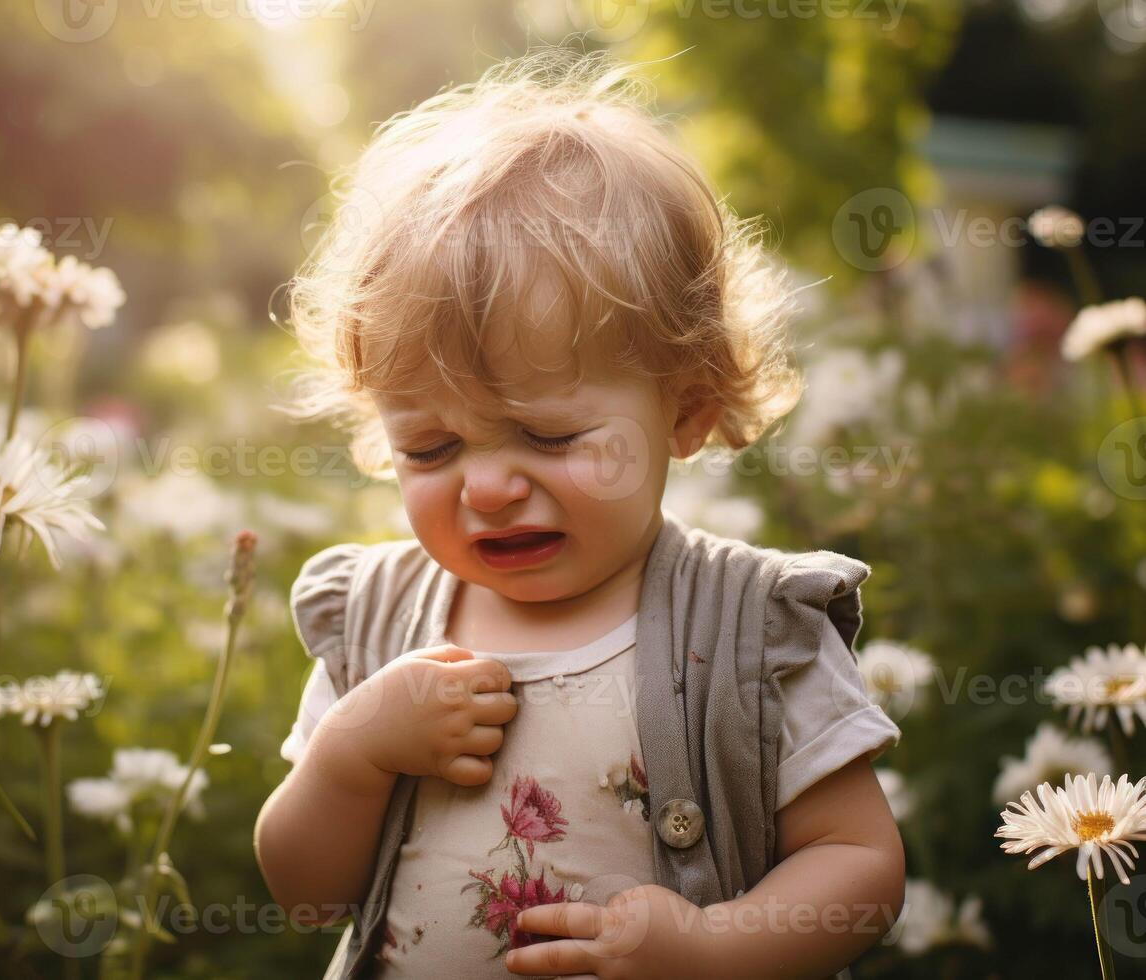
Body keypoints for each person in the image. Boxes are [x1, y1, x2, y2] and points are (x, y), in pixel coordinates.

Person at [255, 47, 904, 980]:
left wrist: (708, 950)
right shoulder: (376, 624)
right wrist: (349, 757)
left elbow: (861, 867)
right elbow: (304, 893)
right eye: (431, 449)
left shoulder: (754, 632)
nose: (485, 488)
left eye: (547, 437)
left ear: (687, 409)